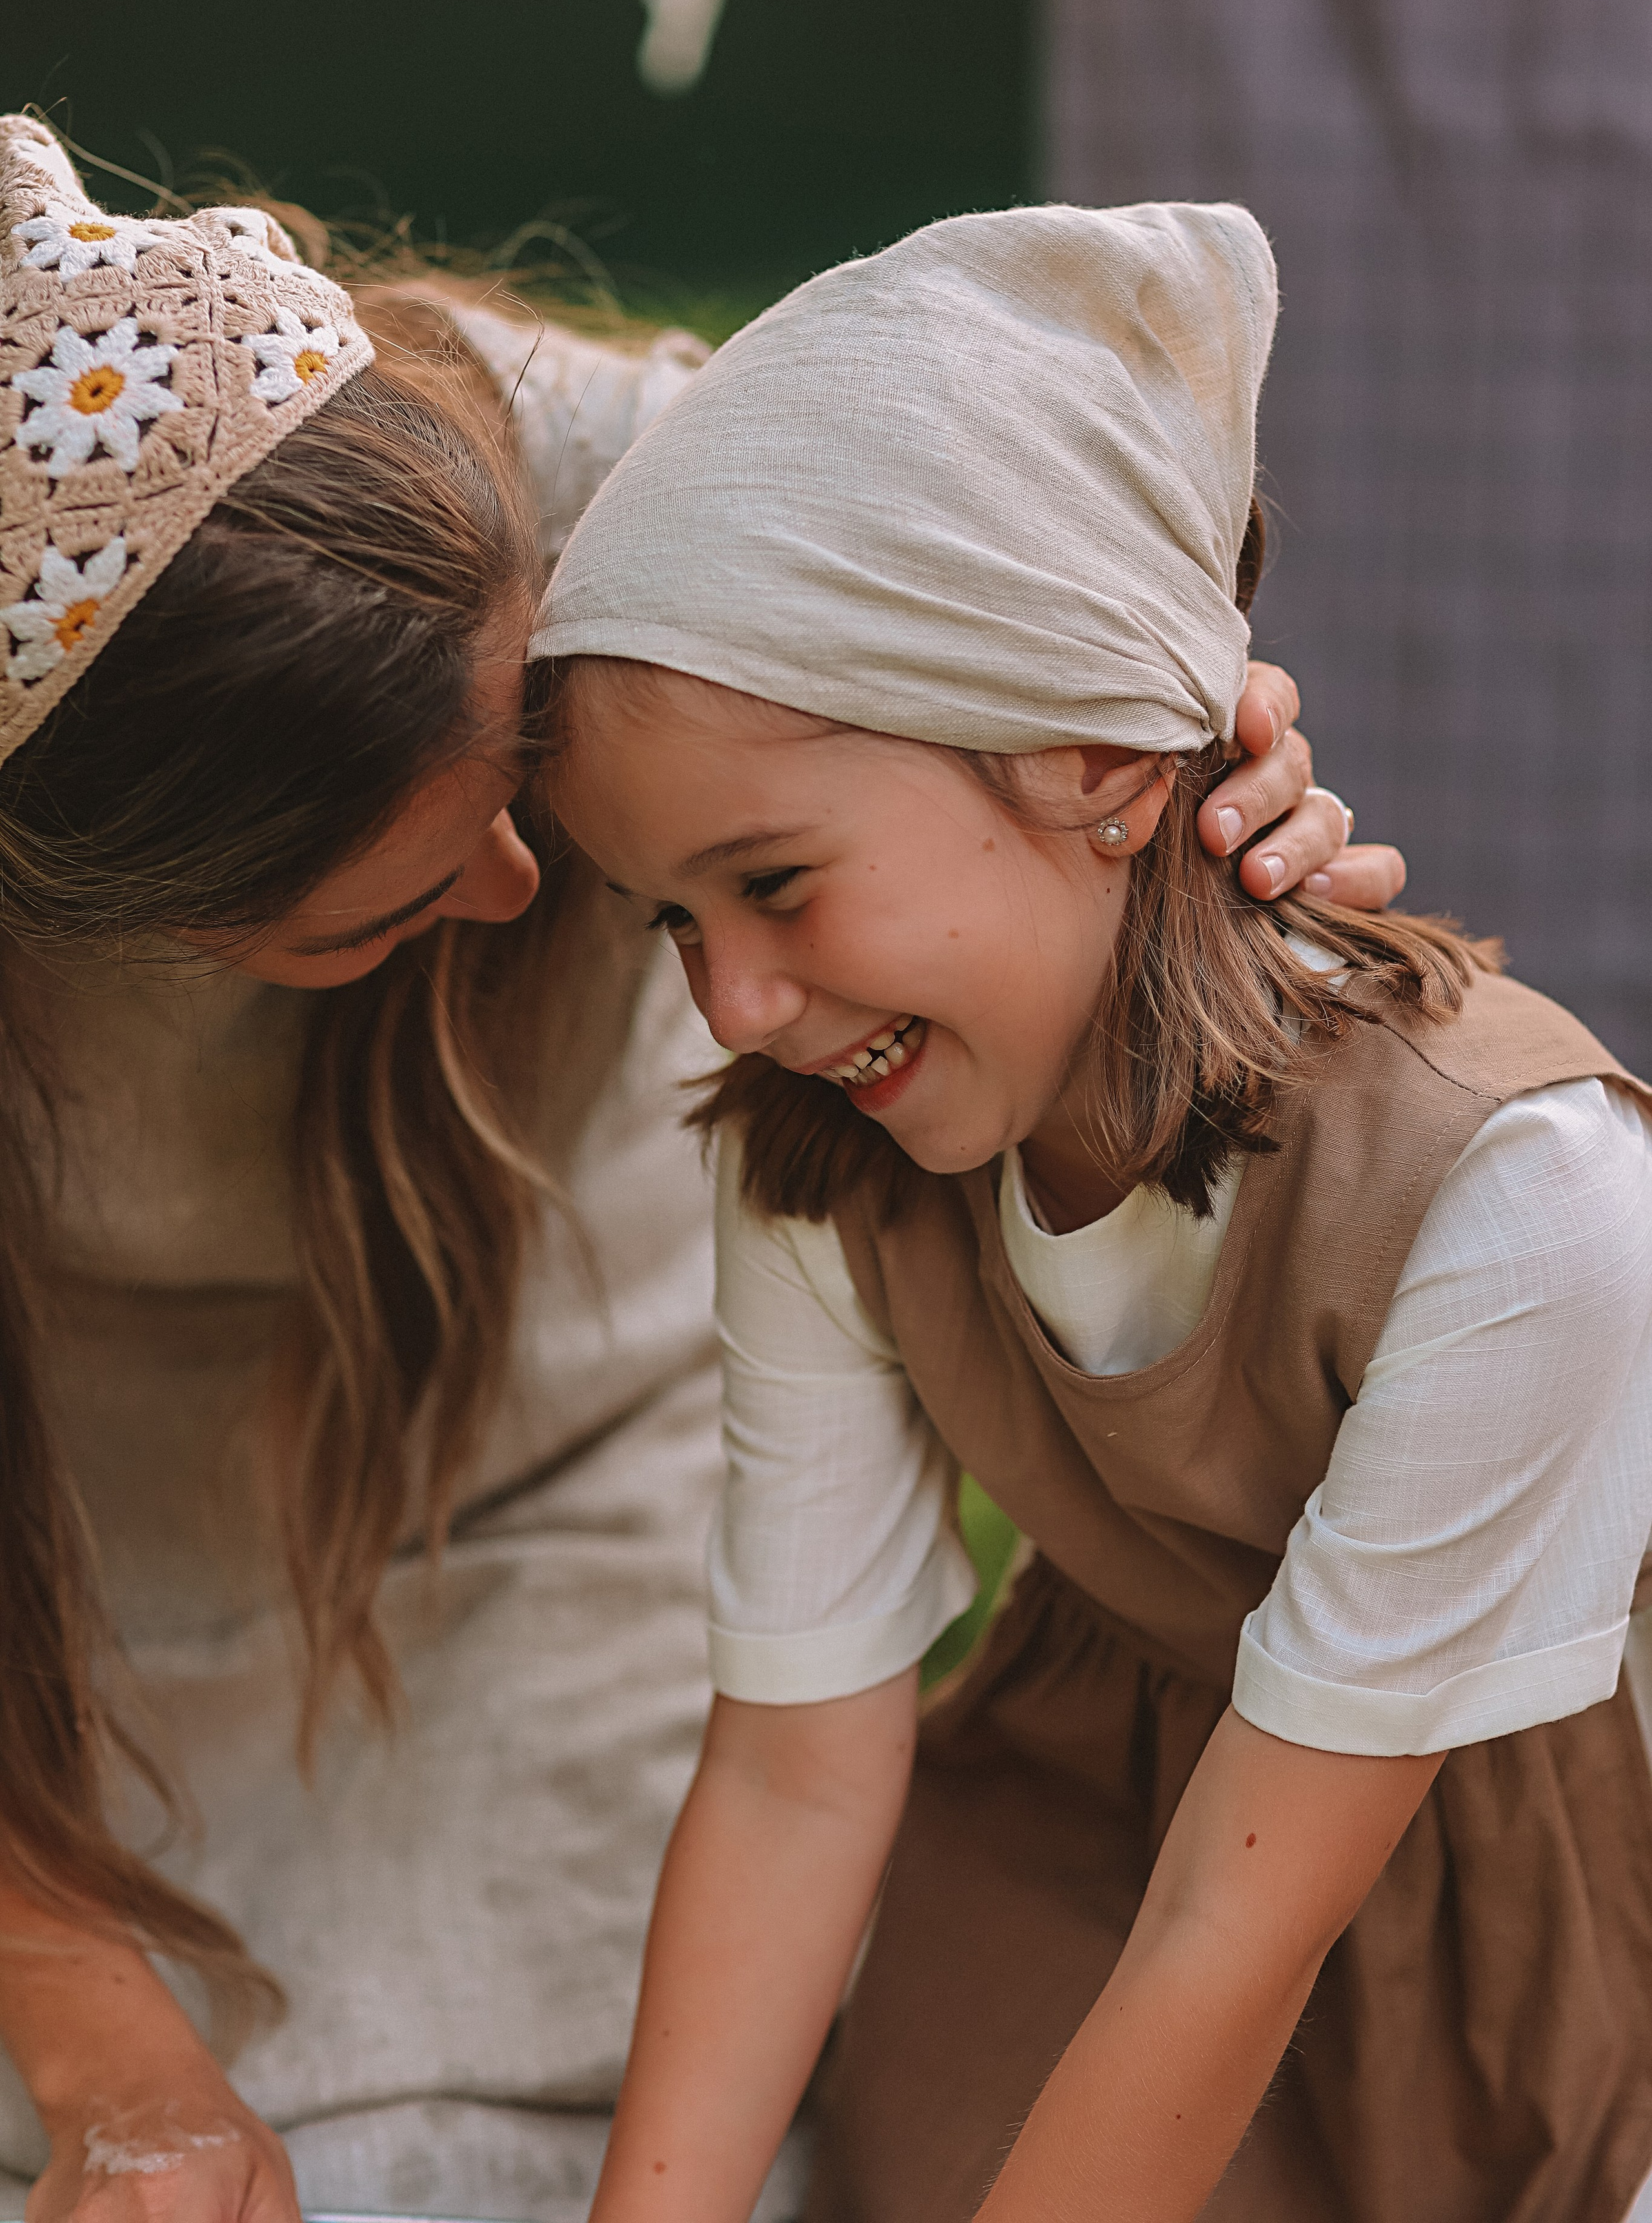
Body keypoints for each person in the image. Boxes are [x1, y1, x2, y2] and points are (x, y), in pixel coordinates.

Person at [0, 119, 1371, 2223]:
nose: (523, 886)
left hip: (576, 1482)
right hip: (78, 1581)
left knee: (565, 2106)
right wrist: (117, 2066)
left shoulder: (600, 484)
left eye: (527, 794)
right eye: (374, 917)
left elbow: (1032, 601)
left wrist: (1172, 727)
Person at [543, 200, 1652, 2223]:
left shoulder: (1520, 1199)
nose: (732, 1004)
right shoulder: (821, 1157)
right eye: (671, 922)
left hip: (1492, 1900)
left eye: (774, 884)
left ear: (1093, 758)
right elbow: (794, 1773)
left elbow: (1243, 1925)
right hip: (1078, 1834)